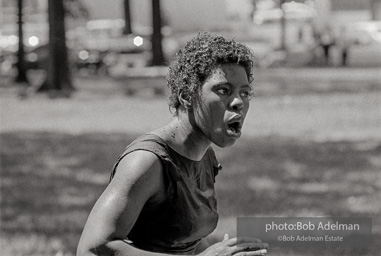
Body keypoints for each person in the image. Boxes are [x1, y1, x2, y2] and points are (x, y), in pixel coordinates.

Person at [77, 32, 269, 256]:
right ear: (187, 95)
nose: (238, 102)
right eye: (224, 91)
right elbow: (93, 248)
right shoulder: (146, 162)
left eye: (245, 93)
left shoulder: (204, 155)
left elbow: (181, 238)